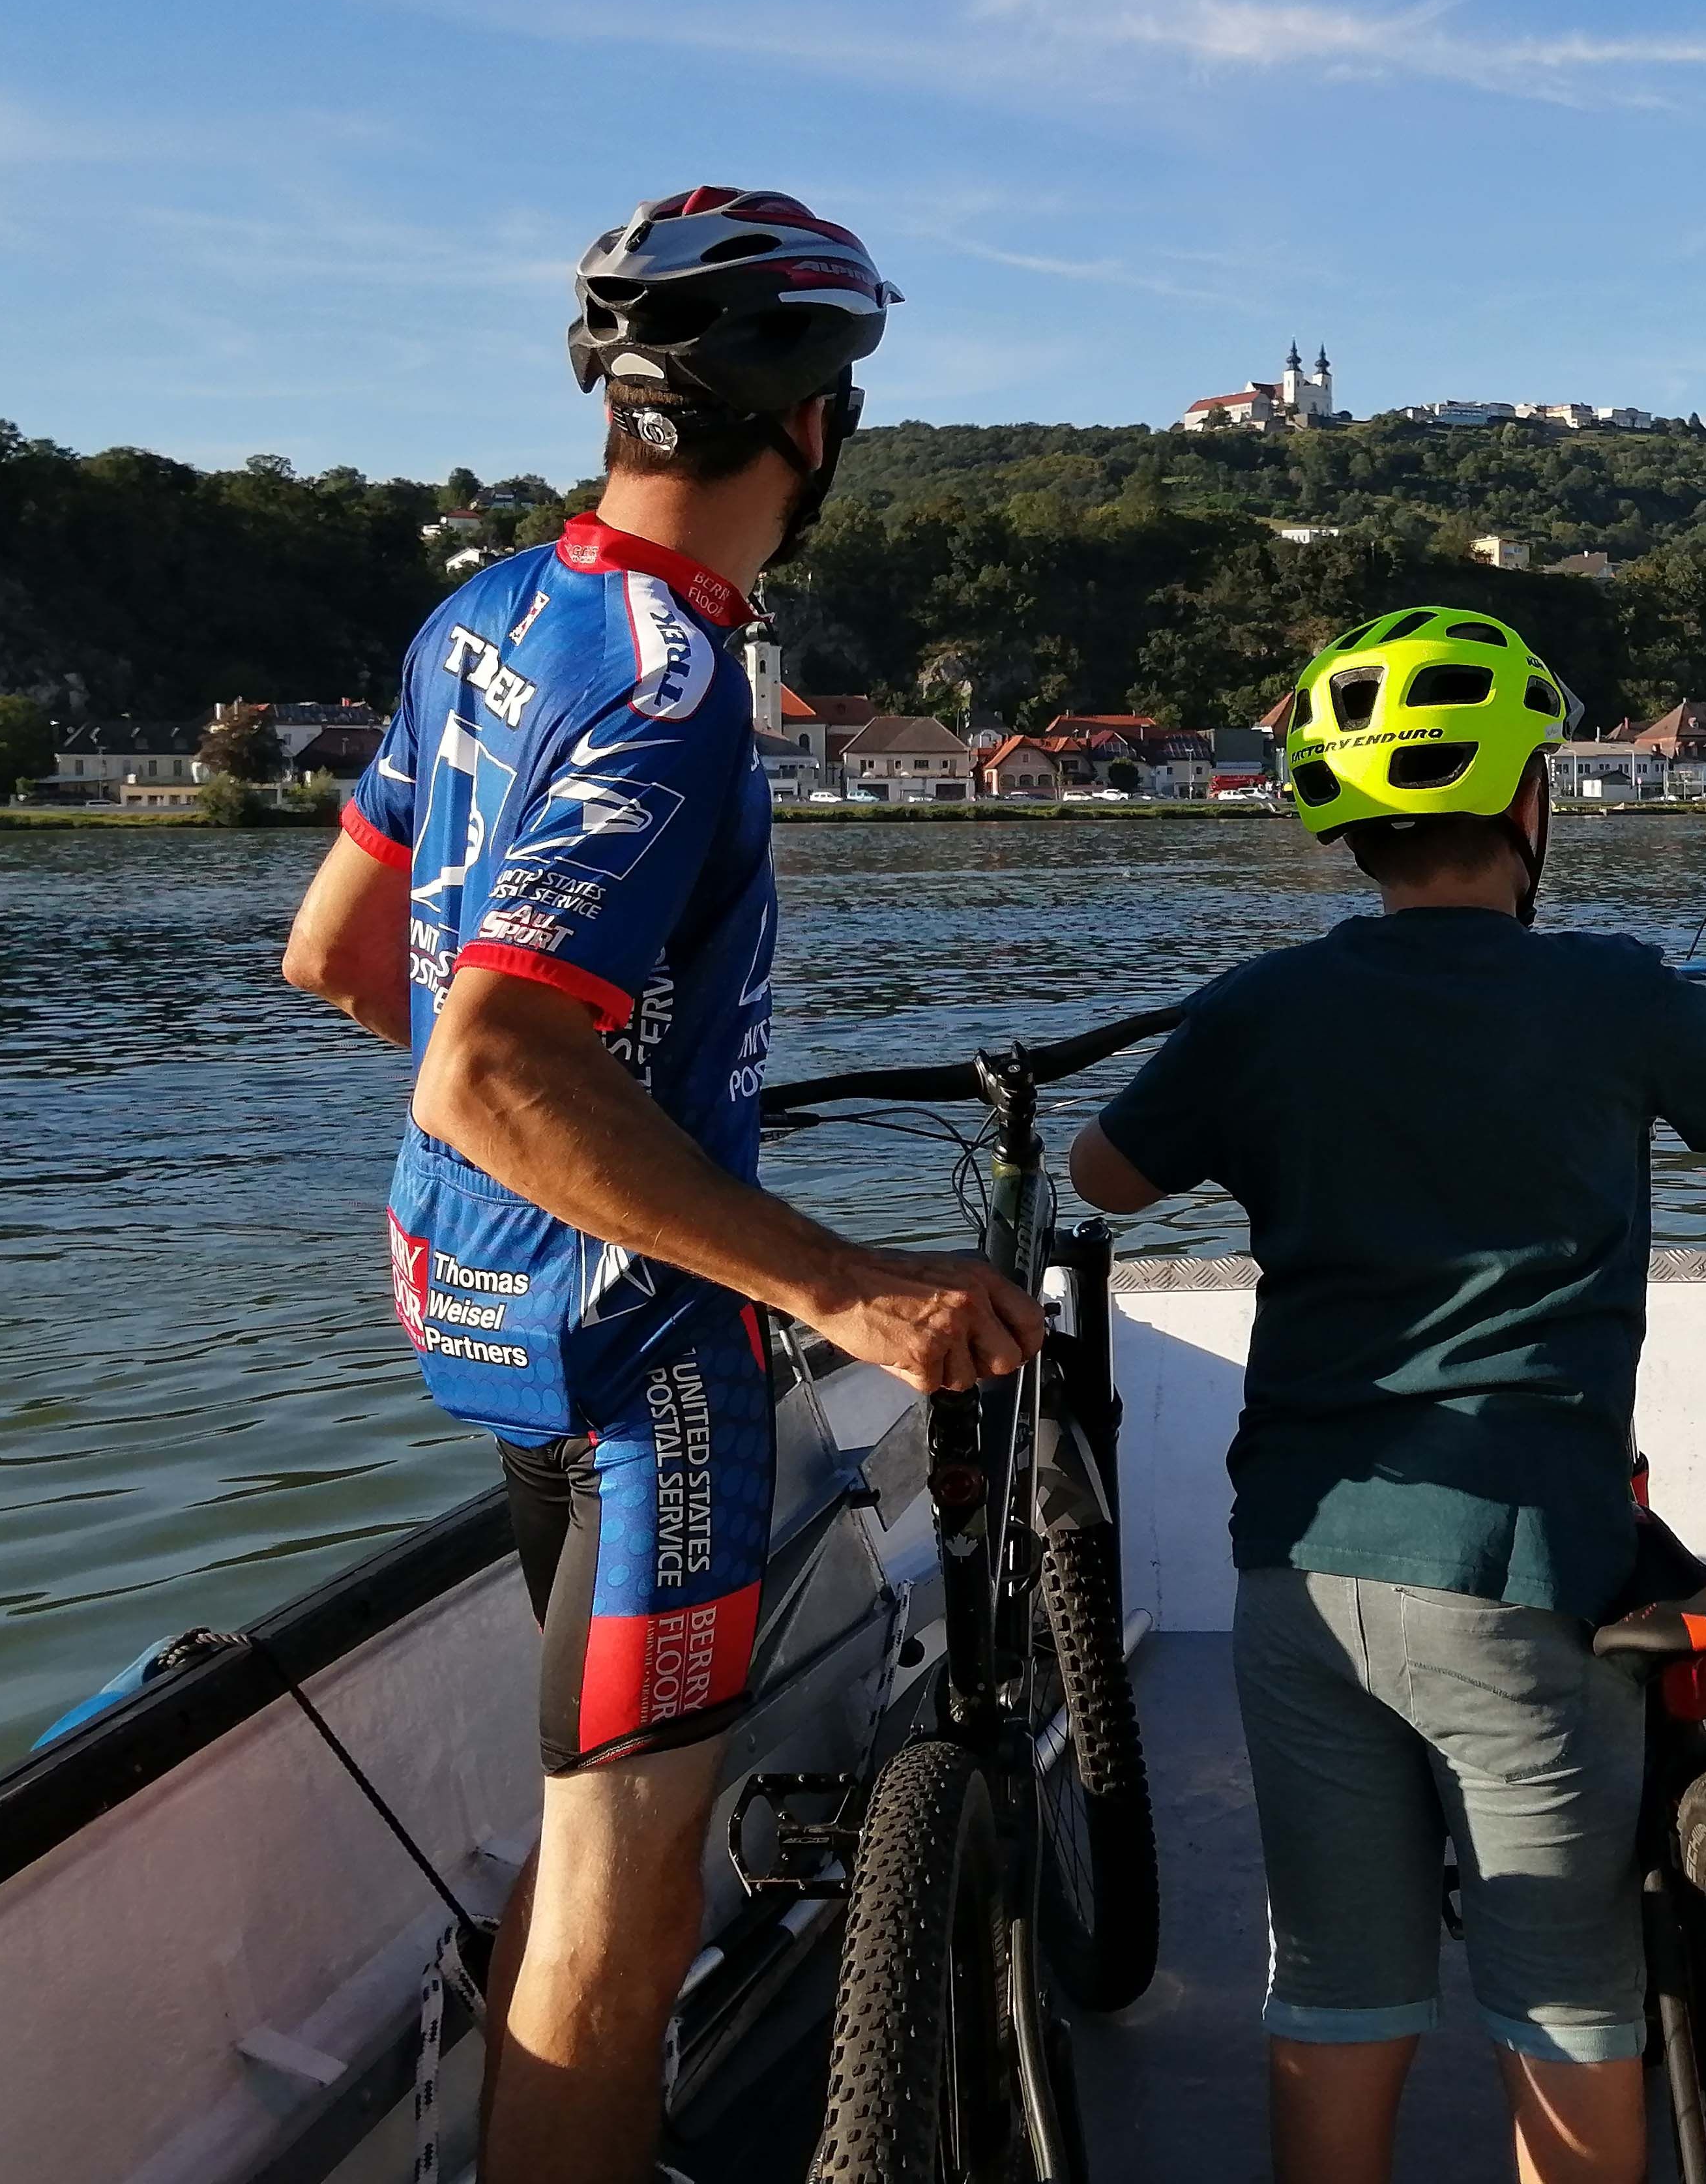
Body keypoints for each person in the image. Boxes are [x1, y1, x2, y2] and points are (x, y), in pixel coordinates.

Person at [278, 186, 1042, 2184]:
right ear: (813, 422)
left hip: (472, 1306)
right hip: (643, 1362)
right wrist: (837, 1283)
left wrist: (546, 1134)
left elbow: (344, 957)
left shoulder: (479, 617)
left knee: (586, 1833)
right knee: (621, 1927)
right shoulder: (669, 683)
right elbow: (490, 1059)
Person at [1065, 608, 1706, 2184]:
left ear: (1344, 823)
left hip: (1299, 1568)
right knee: (1562, 2007)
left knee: (1334, 1993)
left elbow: (1103, 1177)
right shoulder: (1609, 992)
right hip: (1517, 1568)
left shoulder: (1260, 1007)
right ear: (1530, 801)